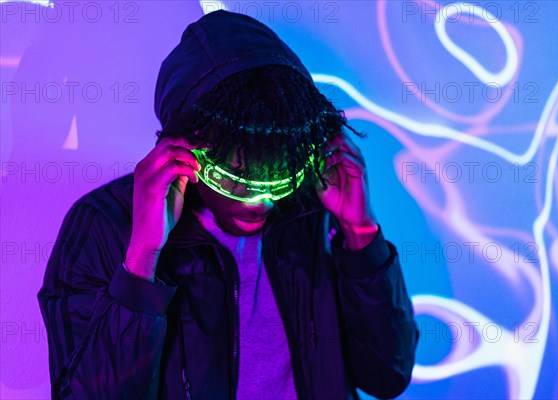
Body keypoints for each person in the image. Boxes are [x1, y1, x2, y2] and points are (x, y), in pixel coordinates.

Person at [38, 10, 419, 400]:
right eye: (238, 177)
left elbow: (387, 376)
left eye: (279, 175)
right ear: (186, 150)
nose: (264, 201)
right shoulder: (104, 225)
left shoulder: (315, 208)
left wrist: (360, 233)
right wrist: (142, 259)